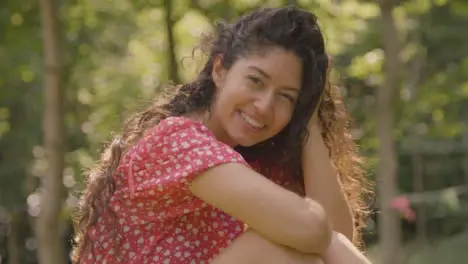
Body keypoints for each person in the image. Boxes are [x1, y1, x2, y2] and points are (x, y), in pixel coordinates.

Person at [72, 6, 372, 264]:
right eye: (256, 80)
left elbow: (336, 239)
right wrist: (316, 234)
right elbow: (315, 231)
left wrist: (310, 122)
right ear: (220, 70)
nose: (264, 106)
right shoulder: (178, 142)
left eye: (286, 97)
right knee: (270, 249)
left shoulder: (252, 158)